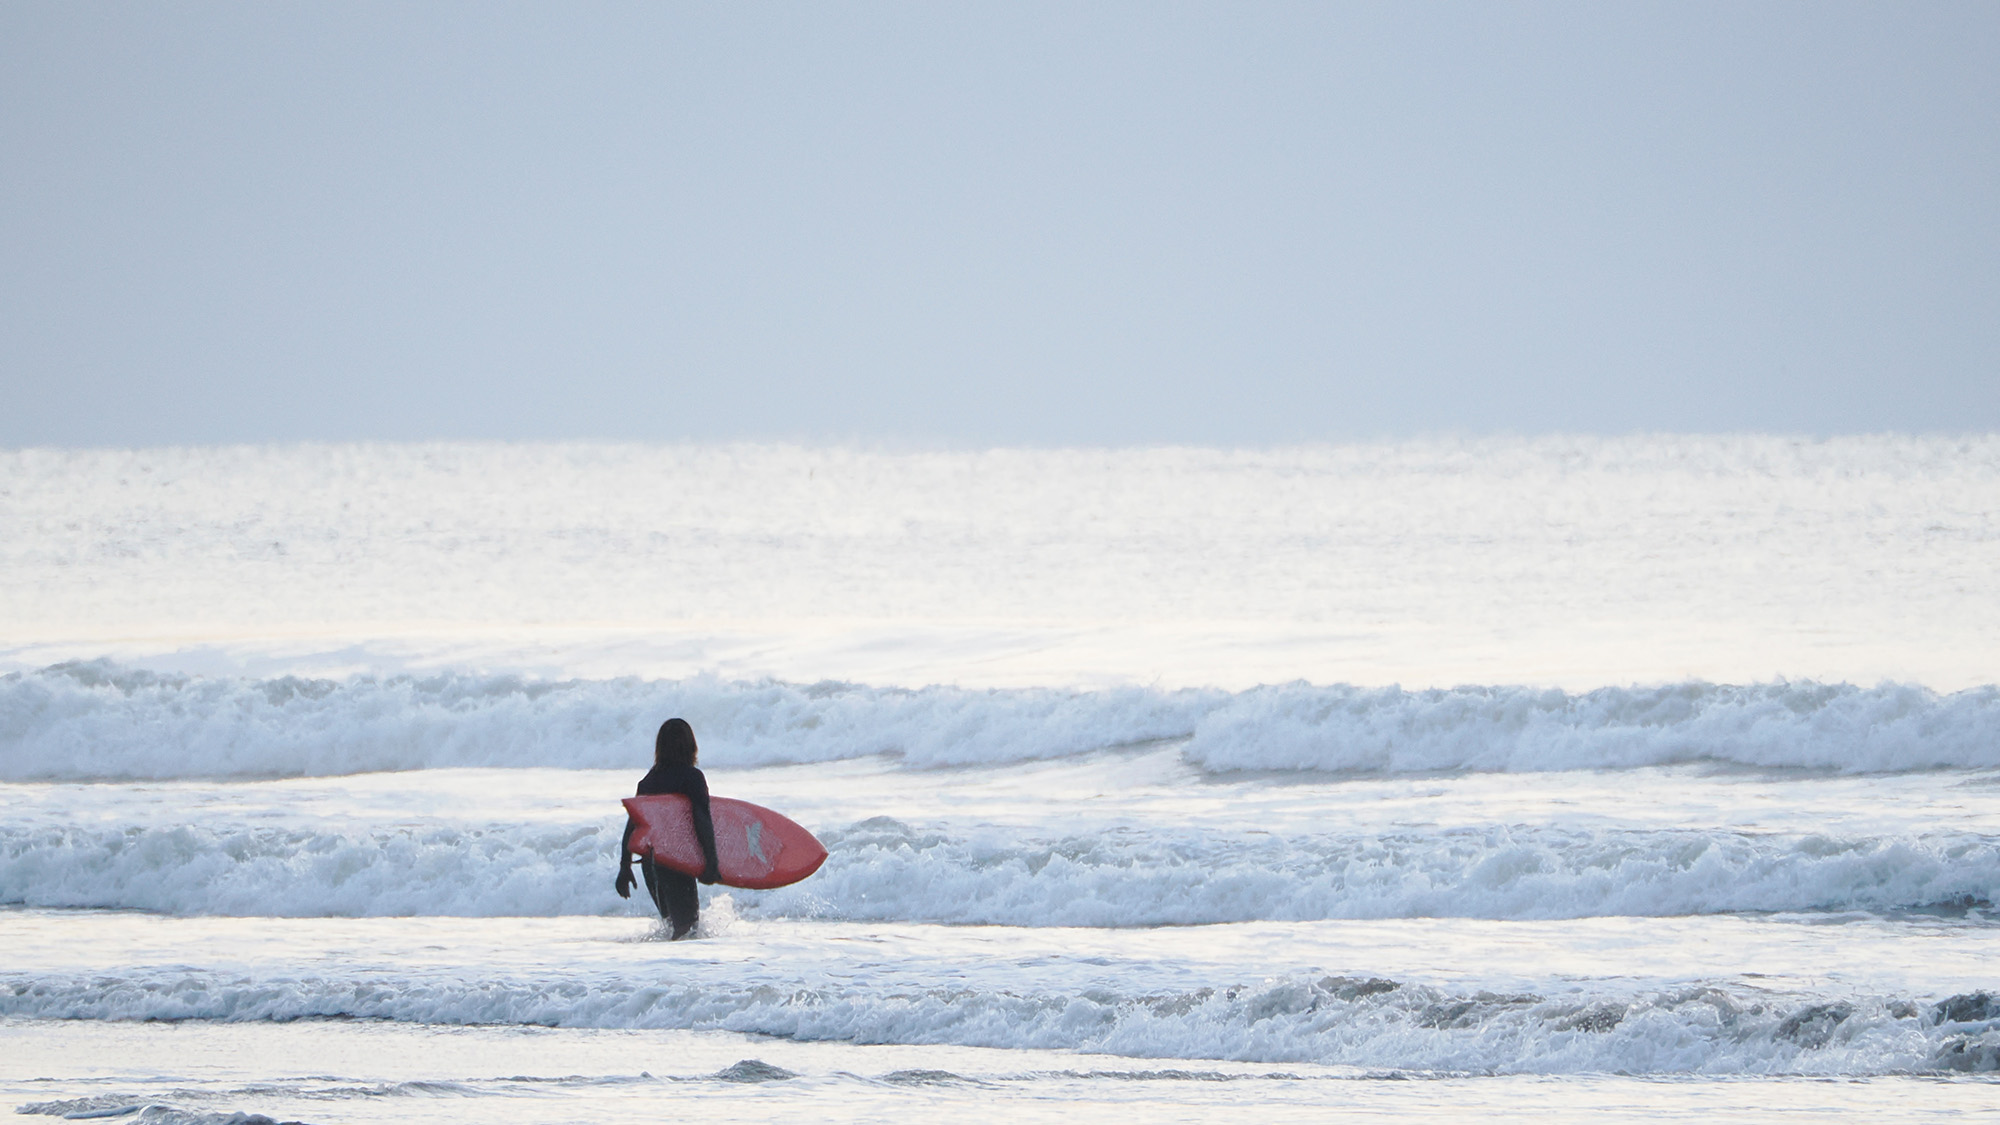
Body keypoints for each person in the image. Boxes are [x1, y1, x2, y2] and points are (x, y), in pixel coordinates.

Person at [614, 717, 721, 939]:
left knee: (675, 926)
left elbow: (633, 825)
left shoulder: (648, 782)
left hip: (650, 864)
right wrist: (712, 861)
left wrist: (625, 867)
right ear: (691, 745)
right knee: (687, 930)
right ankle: (679, 972)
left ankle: (664, 968)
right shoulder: (692, 778)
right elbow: (702, 818)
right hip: (676, 861)